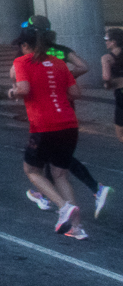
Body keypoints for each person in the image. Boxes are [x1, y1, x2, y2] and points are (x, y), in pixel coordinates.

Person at [14, 17, 110, 218]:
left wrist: (16, 90)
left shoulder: (26, 55)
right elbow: (83, 67)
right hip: (65, 110)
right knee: (56, 161)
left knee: (47, 162)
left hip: (43, 114)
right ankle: (65, 209)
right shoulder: (60, 52)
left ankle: (77, 195)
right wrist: (63, 82)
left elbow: (15, 78)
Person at [9, 21, 86, 239]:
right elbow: (76, 93)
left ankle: (63, 207)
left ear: (25, 45)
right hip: (69, 124)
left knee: (32, 170)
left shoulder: (22, 61)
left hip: (44, 125)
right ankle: (77, 228)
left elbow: (24, 89)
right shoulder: (58, 63)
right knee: (60, 175)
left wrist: (12, 93)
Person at [103, 27, 123, 145]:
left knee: (120, 134)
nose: (105, 41)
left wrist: (107, 85)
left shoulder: (107, 58)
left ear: (113, 42)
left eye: (106, 39)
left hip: (121, 93)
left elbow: (106, 78)